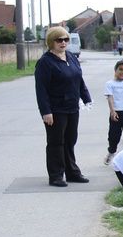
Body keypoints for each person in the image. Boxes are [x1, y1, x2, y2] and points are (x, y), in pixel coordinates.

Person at [34, 26, 92, 188]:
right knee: (56, 142)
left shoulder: (71, 57)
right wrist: (46, 111)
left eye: (66, 39)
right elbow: (41, 89)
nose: (63, 42)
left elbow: (78, 79)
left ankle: (72, 172)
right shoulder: (45, 62)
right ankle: (56, 175)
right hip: (55, 109)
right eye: (59, 40)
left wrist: (86, 97)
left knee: (70, 140)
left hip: (72, 106)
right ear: (51, 42)